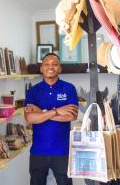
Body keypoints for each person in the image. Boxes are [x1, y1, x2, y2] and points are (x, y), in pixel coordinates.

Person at [24, 53, 78, 185]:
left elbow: (71, 116)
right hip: (38, 151)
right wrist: (57, 111)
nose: (51, 67)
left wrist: (41, 113)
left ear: (60, 68)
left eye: (55, 64)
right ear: (41, 68)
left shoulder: (69, 88)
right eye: (47, 64)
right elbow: (30, 118)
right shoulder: (33, 91)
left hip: (62, 151)